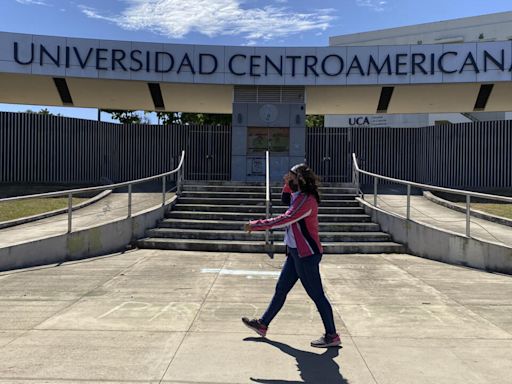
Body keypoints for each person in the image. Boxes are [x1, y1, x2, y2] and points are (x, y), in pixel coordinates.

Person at [242, 164, 340, 348]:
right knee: (281, 289)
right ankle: (262, 325)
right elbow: (284, 199)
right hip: (296, 253)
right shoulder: (298, 196)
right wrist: (288, 183)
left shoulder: (306, 201)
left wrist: (256, 225)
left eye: (291, 177)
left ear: (300, 180)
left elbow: (286, 218)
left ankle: (332, 335)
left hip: (306, 255)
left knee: (317, 295)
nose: (287, 179)